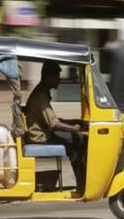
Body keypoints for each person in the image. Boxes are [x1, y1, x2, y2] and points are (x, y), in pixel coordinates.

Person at [24, 61, 88, 190]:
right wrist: (77, 128)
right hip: (40, 138)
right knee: (78, 139)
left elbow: (53, 119)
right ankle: (82, 183)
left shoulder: (43, 92)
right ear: (48, 76)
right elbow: (54, 124)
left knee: (77, 137)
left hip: (44, 133)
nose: (59, 80)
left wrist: (76, 121)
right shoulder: (40, 96)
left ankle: (83, 181)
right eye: (57, 76)